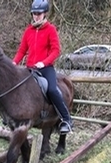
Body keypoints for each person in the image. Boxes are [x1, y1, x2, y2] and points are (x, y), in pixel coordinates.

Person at [12, 0, 73, 134]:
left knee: (51, 90)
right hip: (30, 68)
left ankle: (66, 119)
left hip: (46, 68)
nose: (36, 16)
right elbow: (22, 50)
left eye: (39, 13)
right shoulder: (28, 30)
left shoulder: (50, 29)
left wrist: (44, 62)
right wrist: (14, 62)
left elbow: (56, 50)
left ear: (45, 13)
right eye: (34, 13)